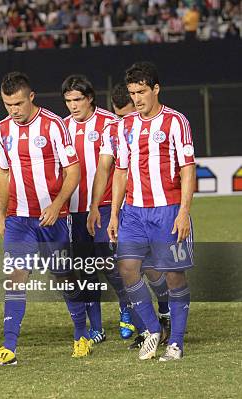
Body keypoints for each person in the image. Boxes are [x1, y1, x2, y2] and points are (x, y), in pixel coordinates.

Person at [0, 72, 89, 366]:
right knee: (15, 278)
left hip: (51, 218)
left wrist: (57, 206)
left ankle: (81, 334)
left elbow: (73, 171)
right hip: (19, 218)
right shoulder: (2, 129)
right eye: (8, 105)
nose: (13, 110)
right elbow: (4, 172)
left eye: (18, 103)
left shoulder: (54, 125)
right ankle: (9, 347)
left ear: (31, 97)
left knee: (63, 277)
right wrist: (2, 209)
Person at [107, 62, 194, 361]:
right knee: (128, 269)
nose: (137, 99)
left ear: (156, 89)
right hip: (133, 211)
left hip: (167, 210)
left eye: (142, 92)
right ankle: (153, 330)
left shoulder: (175, 121)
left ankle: (176, 343)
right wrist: (115, 214)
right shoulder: (124, 126)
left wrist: (184, 212)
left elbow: (187, 169)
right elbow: (120, 171)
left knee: (173, 276)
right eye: (133, 93)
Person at [89, 82, 172, 349]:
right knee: (124, 266)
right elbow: (104, 169)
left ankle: (165, 310)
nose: (126, 121)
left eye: (128, 114)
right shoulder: (114, 130)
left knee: (153, 266)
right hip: (123, 210)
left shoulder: (156, 125)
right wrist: (96, 206)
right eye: (120, 115)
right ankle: (145, 325)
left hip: (150, 207)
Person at [61, 75, 133, 345]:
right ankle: (97, 327)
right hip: (75, 210)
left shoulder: (110, 123)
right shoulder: (61, 127)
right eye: (68, 101)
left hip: (104, 207)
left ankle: (126, 307)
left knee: (109, 262)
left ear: (89, 98)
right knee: (85, 268)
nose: (73, 106)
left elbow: (120, 167)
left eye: (77, 99)